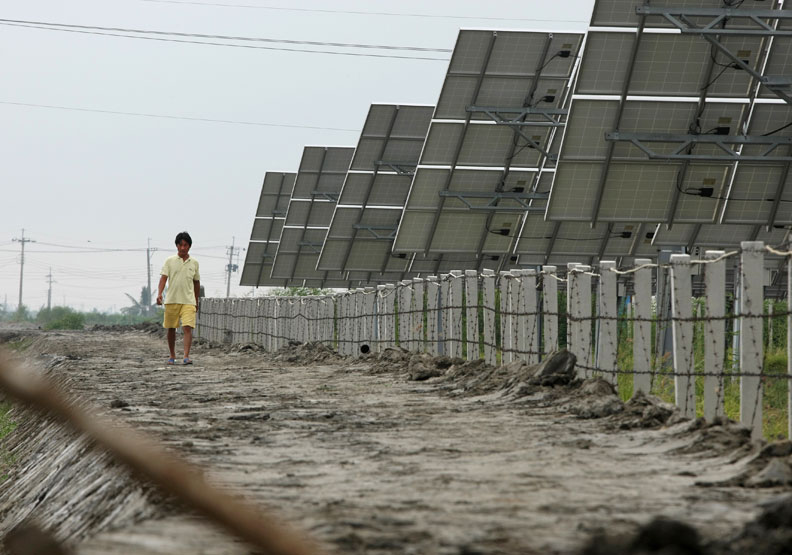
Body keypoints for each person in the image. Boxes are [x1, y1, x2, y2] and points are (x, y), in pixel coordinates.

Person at [156, 231, 201, 365]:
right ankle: (172, 355)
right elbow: (163, 278)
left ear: (189, 246)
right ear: (176, 246)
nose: (182, 248)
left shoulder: (194, 263)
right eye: (180, 245)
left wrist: (196, 300)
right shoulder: (169, 261)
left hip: (188, 301)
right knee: (171, 328)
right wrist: (159, 294)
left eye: (185, 245)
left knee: (187, 327)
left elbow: (196, 282)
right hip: (172, 300)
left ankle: (186, 356)